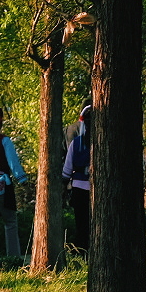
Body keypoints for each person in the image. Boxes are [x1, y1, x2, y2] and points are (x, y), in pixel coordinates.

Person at [0, 106, 28, 262]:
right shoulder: (4, 140)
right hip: (2, 185)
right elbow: (13, 163)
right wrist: (22, 180)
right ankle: (14, 258)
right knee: (10, 221)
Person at [62, 103, 92, 254]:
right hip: (96, 190)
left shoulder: (76, 143)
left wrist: (64, 186)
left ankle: (82, 252)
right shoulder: (105, 142)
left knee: (81, 224)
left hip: (79, 188)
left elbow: (67, 170)